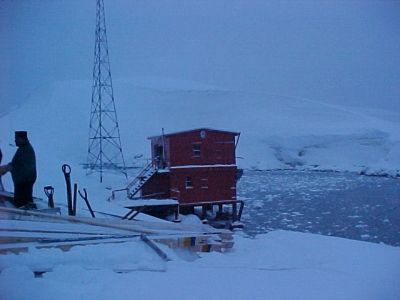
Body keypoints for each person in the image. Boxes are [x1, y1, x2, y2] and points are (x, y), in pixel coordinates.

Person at [0, 131, 37, 209]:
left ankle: (26, 214)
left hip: (24, 181)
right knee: (24, 200)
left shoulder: (26, 150)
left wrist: (5, 169)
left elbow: (17, 166)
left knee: (21, 202)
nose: (15, 141)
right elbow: (16, 164)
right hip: (25, 180)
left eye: (16, 139)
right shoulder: (23, 148)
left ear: (22, 139)